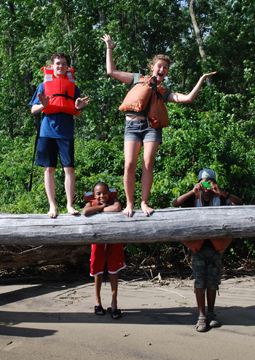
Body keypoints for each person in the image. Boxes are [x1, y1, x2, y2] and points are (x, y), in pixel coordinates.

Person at [101, 33, 216, 217]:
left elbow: (187, 98)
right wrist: (109, 48)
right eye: (159, 66)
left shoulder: (164, 91)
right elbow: (111, 71)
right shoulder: (137, 78)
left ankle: (144, 202)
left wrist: (201, 79)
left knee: (147, 163)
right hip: (132, 126)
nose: (162, 69)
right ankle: (129, 203)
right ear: (152, 67)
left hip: (152, 129)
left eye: (166, 67)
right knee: (129, 164)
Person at [172, 169, 243, 332]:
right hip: (198, 247)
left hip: (216, 247)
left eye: (209, 181)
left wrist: (223, 192)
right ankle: (201, 316)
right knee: (199, 281)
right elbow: (175, 203)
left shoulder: (221, 197)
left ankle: (211, 314)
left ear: (214, 183)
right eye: (203, 181)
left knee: (212, 282)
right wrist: (192, 191)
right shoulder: (193, 198)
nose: (206, 185)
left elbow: (240, 205)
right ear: (198, 182)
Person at [30, 53, 90, 218]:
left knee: (69, 168)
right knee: (49, 168)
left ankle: (70, 205)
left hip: (65, 132)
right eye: (57, 64)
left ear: (67, 67)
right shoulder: (43, 85)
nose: (60, 66)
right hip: (47, 132)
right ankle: (52, 205)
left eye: (63, 64)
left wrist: (78, 108)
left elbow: (77, 114)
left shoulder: (73, 87)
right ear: (51, 66)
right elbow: (33, 110)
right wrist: (44, 105)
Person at [82, 182, 126, 319]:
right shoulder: (92, 203)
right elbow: (85, 212)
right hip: (98, 238)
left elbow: (117, 208)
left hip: (114, 237)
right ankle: (97, 301)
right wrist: (103, 207)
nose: (102, 195)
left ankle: (114, 304)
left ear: (109, 192)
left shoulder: (114, 200)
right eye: (98, 193)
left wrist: (99, 209)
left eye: (105, 192)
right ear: (94, 195)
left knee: (113, 269)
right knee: (97, 269)